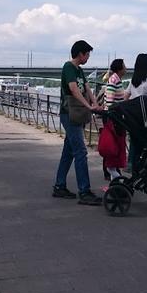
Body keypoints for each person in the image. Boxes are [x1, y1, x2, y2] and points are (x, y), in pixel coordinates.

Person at [52, 40, 103, 205]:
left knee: (69, 151)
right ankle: (84, 191)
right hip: (69, 114)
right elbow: (73, 89)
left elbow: (87, 88)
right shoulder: (68, 67)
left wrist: (95, 103)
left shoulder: (79, 70)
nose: (88, 57)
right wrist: (88, 105)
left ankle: (59, 186)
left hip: (76, 114)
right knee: (81, 151)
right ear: (81, 53)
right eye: (87, 54)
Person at [126, 53, 147, 173]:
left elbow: (126, 96)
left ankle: (131, 164)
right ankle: (143, 166)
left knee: (134, 141)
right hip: (145, 119)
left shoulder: (133, 80)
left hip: (132, 118)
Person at [102, 59, 128, 181]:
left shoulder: (117, 79)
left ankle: (115, 180)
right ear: (120, 68)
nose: (126, 68)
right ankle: (116, 178)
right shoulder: (114, 80)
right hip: (113, 117)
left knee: (115, 146)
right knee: (113, 145)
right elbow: (111, 101)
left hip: (115, 116)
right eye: (124, 66)